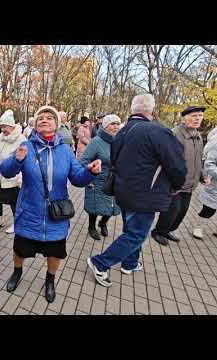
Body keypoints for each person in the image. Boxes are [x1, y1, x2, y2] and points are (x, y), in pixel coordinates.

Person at [0, 105, 101, 303]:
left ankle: (50, 280)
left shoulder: (65, 151)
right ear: (36, 125)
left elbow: (78, 178)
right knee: (20, 250)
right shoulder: (25, 146)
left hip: (56, 217)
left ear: (57, 124)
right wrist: (17, 161)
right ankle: (17, 272)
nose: (44, 120)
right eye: (40, 118)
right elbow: (5, 171)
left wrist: (90, 172)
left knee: (55, 253)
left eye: (49, 117)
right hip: (29, 213)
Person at [86, 94, 186, 287]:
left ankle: (130, 263)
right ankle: (100, 263)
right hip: (145, 195)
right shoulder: (158, 132)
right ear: (152, 110)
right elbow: (177, 165)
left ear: (132, 110)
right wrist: (176, 185)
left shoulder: (122, 132)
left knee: (131, 230)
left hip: (124, 192)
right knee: (136, 234)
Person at [151, 106, 210, 246]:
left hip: (190, 183)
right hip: (176, 183)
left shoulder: (198, 135)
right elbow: (168, 160)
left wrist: (202, 176)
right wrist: (173, 182)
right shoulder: (175, 134)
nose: (197, 118)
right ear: (184, 118)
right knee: (172, 210)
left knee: (182, 212)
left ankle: (167, 231)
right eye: (194, 115)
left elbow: (197, 160)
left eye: (200, 116)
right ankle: (158, 232)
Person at [80, 114, 122, 240]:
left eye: (117, 124)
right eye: (112, 124)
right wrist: (90, 171)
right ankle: (91, 227)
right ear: (105, 126)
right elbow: (84, 160)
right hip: (97, 180)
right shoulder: (96, 142)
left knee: (113, 206)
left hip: (114, 180)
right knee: (94, 206)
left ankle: (103, 223)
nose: (115, 127)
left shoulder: (120, 141)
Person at [0, 109, 26, 234]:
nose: (2, 129)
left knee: (14, 203)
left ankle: (16, 223)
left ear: (11, 125)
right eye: (1, 127)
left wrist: (20, 180)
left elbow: (23, 162)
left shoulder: (21, 140)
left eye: (4, 126)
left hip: (13, 180)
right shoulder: (2, 138)